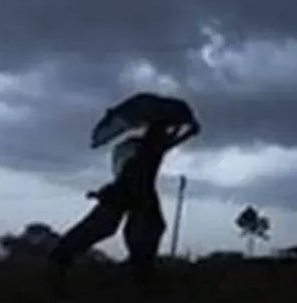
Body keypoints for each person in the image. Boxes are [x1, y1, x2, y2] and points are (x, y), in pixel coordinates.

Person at [48, 116, 200, 292]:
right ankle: (62, 262)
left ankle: (140, 275)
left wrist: (182, 128)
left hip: (132, 198)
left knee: (137, 233)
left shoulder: (139, 148)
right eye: (163, 132)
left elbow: (168, 142)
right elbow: (166, 144)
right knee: (115, 230)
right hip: (132, 197)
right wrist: (184, 128)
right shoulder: (148, 150)